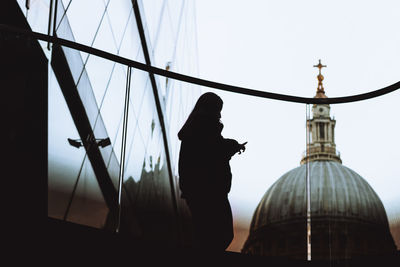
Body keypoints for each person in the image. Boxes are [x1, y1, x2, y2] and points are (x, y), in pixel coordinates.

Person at [177, 92, 246, 253]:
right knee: (221, 234)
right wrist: (233, 146)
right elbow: (214, 150)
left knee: (209, 234)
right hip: (210, 191)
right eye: (218, 109)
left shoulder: (194, 129)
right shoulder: (205, 127)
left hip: (199, 191)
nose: (220, 114)